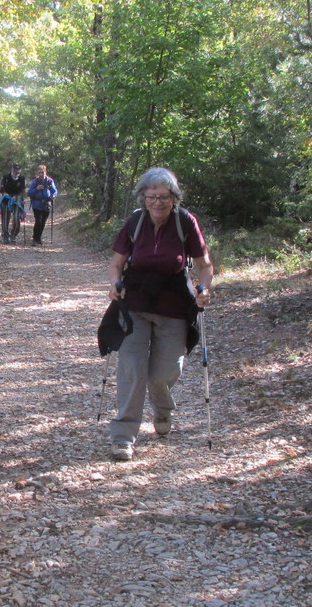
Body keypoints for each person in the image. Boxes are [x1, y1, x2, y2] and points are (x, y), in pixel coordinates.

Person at [105, 167, 213, 461]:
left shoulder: (185, 222)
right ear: (143, 197)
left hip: (174, 305)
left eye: (164, 197)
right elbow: (117, 263)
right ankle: (123, 437)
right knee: (132, 370)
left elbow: (204, 264)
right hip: (136, 303)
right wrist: (115, 284)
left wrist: (203, 288)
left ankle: (163, 410)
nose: (157, 202)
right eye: (151, 196)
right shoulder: (135, 221)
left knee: (164, 372)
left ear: (174, 198)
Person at [26, 164, 57, 245]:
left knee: (43, 222)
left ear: (45, 172)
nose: (41, 174)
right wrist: (36, 189)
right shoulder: (35, 182)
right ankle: (35, 239)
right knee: (38, 221)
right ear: (37, 173)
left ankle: (38, 238)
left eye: (42, 172)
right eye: (39, 173)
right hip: (36, 204)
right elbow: (29, 193)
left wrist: (53, 195)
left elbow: (55, 191)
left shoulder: (50, 181)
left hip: (47, 204)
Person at [0, 163, 26, 243]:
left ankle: (13, 235)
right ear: (12, 169)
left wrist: (24, 199)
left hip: (17, 199)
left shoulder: (22, 178)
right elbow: (1, 189)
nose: (16, 171)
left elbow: (23, 190)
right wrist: (0, 188)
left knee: (17, 218)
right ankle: (5, 236)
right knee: (5, 218)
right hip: (7, 198)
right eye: (14, 170)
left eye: (18, 170)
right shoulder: (6, 177)